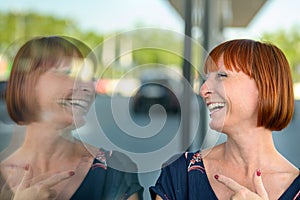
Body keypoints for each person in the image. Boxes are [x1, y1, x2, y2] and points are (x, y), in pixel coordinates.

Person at [150, 39, 300, 199]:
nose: (203, 90)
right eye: (206, 78)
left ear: (265, 87)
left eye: (221, 76)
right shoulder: (180, 174)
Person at [0, 36, 143, 199]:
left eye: (90, 78)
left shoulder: (115, 169)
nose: (88, 87)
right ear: (26, 85)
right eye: (67, 73)